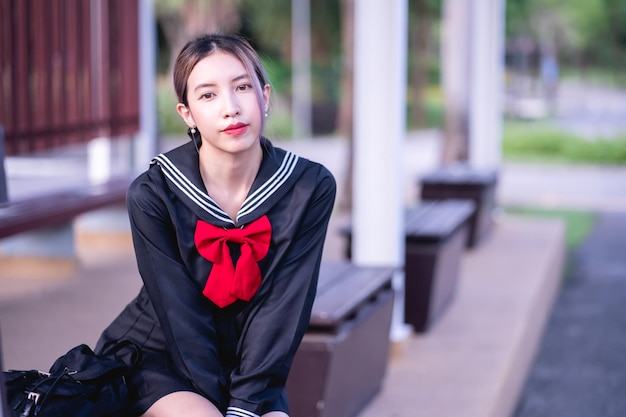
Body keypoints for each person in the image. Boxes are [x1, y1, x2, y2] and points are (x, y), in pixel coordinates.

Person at [95, 33, 336, 417]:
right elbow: (180, 315)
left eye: (242, 87)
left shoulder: (309, 187)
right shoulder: (153, 193)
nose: (231, 108)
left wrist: (246, 404)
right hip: (159, 356)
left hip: (251, 364)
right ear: (187, 113)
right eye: (208, 95)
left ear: (265, 96)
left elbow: (283, 307)